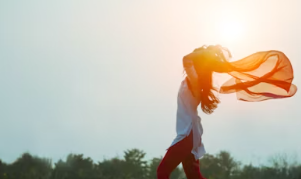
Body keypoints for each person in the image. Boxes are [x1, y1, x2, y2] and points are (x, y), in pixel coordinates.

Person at [156, 45, 297, 179]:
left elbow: (186, 59)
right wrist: (205, 54)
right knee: (194, 177)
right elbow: (189, 60)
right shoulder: (195, 80)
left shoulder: (195, 80)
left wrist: (205, 54)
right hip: (190, 134)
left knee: (162, 171)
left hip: (187, 134)